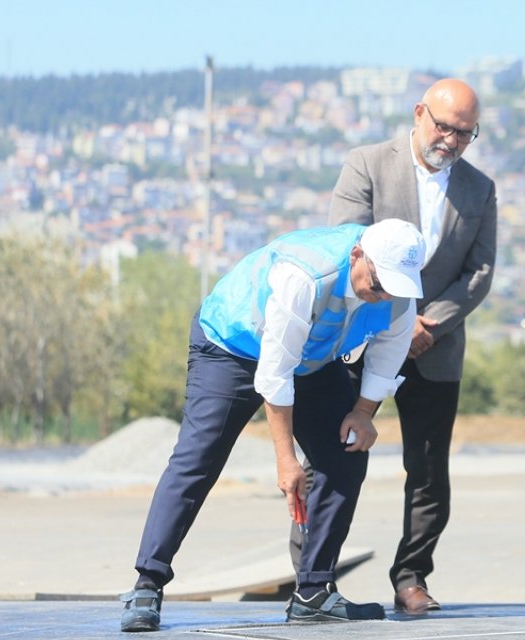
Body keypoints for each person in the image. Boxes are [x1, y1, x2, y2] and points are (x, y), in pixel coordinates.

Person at [120, 219, 427, 632]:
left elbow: (389, 353)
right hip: (230, 347)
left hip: (313, 358)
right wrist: (286, 462)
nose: (384, 295)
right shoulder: (304, 276)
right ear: (357, 256)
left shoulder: (398, 295)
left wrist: (362, 412)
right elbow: (274, 374)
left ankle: (314, 592)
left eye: (394, 287)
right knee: (200, 457)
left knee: (345, 455)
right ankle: (148, 583)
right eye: (377, 284)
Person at [291, 77, 497, 616]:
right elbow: (348, 243)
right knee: (330, 457)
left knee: (428, 470)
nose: (451, 140)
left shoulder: (480, 189)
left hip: (437, 346)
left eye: (465, 133)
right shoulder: (367, 164)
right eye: (444, 126)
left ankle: (412, 577)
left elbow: (479, 273)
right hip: (359, 338)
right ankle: (313, 578)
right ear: (419, 113)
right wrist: (396, 320)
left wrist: (429, 323)